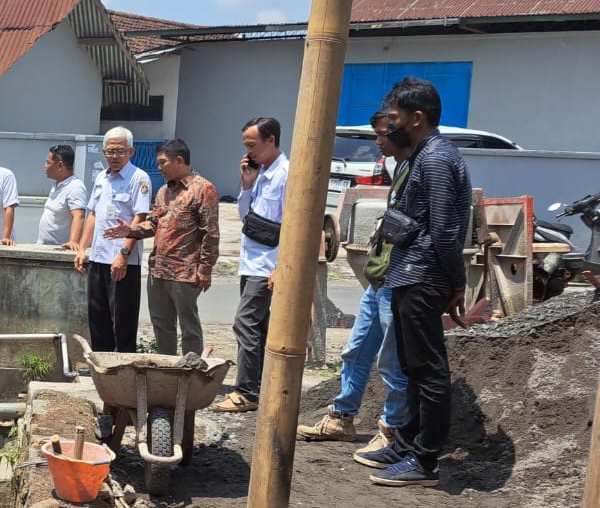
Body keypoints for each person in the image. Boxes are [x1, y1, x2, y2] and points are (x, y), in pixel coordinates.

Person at [355, 78, 472, 487]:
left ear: (416, 119)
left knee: (429, 370)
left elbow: (443, 230)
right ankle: (406, 444)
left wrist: (457, 283)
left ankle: (424, 462)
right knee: (411, 366)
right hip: (409, 276)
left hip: (424, 277)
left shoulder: (437, 159)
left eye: (393, 118)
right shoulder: (421, 156)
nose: (388, 127)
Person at [297, 112, 412, 454]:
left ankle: (392, 431)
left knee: (393, 361)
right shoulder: (396, 168)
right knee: (356, 349)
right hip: (380, 277)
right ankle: (341, 418)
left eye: (382, 135)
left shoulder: (421, 167)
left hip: (399, 279)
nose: (377, 142)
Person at [211, 117, 289, 413]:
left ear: (271, 141)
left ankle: (247, 391)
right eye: (246, 146)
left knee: (245, 323)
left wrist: (281, 265)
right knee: (259, 327)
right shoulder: (261, 173)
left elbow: (292, 224)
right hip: (251, 262)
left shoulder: (285, 175)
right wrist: (246, 185)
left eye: (252, 145)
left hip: (268, 264)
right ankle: (262, 386)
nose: (249, 151)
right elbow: (246, 218)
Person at [124, 139, 218, 357]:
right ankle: (167, 370)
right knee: (162, 324)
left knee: (188, 327)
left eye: (162, 163)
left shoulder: (203, 189)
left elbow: (210, 233)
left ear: (179, 160)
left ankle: (191, 371)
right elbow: (154, 224)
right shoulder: (164, 192)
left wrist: (205, 269)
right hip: (158, 270)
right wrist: (129, 230)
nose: (159, 168)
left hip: (184, 272)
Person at [73, 127, 153, 352]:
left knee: (123, 318)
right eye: (110, 151)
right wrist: (82, 248)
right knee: (98, 316)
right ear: (103, 152)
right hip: (99, 257)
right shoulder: (101, 177)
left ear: (131, 152)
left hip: (122, 259)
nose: (114, 156)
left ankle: (123, 368)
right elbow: (93, 214)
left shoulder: (139, 178)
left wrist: (124, 254)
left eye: (120, 151)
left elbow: (140, 218)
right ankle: (102, 365)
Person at [36, 144, 87, 248]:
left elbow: (79, 216)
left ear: (59, 165)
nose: (45, 166)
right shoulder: (57, 185)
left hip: (60, 250)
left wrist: (73, 241)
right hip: (45, 247)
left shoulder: (75, 187)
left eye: (48, 162)